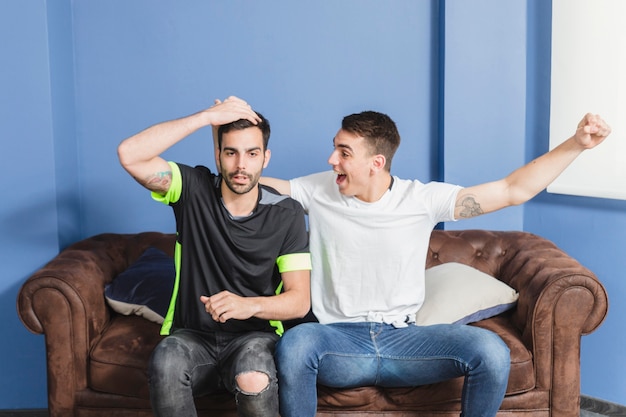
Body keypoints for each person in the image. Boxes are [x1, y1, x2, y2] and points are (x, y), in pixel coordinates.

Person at [259, 108, 611, 417]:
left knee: (490, 350)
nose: (331, 159)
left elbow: (511, 190)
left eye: (343, 152)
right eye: (335, 148)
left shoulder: (421, 200)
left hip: (405, 341)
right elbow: (247, 185)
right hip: (337, 342)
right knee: (296, 344)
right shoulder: (318, 190)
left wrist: (576, 144)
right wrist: (218, 131)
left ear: (376, 163)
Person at [117, 96, 312, 417]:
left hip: (254, 337)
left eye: (252, 154)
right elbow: (129, 154)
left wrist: (246, 305)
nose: (241, 165)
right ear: (218, 155)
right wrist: (206, 117)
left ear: (266, 157)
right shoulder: (191, 189)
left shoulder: (287, 213)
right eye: (231, 152)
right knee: (165, 362)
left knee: (254, 377)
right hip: (191, 336)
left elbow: (299, 301)